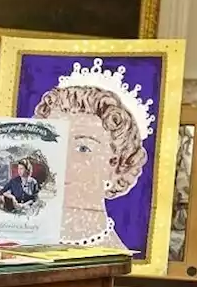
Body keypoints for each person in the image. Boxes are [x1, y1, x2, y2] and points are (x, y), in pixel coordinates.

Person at [33, 83, 148, 250]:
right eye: (53, 145)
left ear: (115, 165)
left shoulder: (114, 254)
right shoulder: (15, 244)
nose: (61, 161)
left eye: (82, 149)